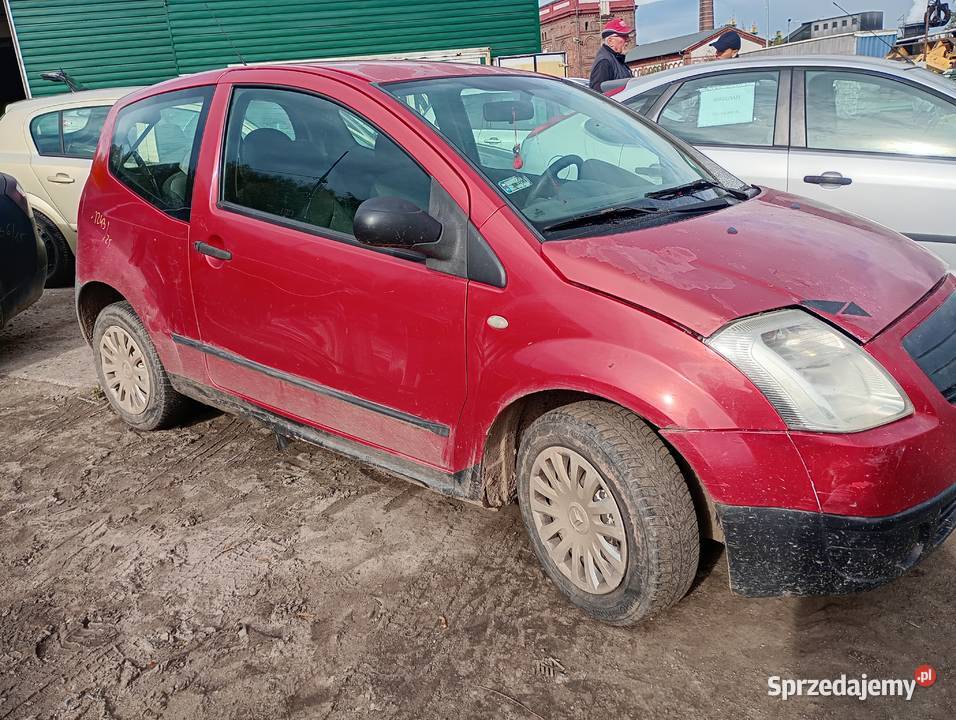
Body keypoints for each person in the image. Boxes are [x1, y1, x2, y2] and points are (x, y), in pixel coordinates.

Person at [589, 18, 634, 92]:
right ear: (610, 41)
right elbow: (598, 95)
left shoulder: (616, 58)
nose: (628, 40)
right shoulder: (604, 62)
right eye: (624, 36)